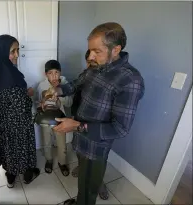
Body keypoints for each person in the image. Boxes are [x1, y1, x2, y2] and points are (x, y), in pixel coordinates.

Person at [53, 22, 145, 205]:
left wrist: (77, 125)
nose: (91, 56)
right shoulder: (95, 66)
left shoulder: (130, 80)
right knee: (83, 182)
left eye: (97, 51)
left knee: (89, 188)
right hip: (80, 139)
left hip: (96, 147)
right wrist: (57, 90)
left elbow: (120, 129)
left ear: (116, 49)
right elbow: (75, 84)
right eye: (90, 51)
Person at [0, 34, 40, 188]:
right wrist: (27, 95)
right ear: (3, 51)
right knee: (22, 146)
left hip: (2, 121)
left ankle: (10, 177)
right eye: (13, 51)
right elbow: (20, 103)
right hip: (18, 122)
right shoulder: (9, 72)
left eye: (17, 50)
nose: (16, 55)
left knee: (8, 148)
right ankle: (28, 175)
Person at [70, 50, 110, 200]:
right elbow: (72, 91)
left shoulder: (105, 79)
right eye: (87, 62)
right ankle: (82, 167)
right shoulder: (84, 75)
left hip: (97, 126)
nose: (89, 64)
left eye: (92, 62)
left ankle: (99, 182)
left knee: (99, 158)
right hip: (78, 119)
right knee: (80, 150)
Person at [37, 60, 73, 176]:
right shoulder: (41, 86)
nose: (54, 76)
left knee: (62, 144)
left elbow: (69, 103)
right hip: (46, 120)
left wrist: (59, 96)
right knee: (46, 141)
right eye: (50, 73)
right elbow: (38, 101)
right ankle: (49, 160)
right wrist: (40, 105)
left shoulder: (65, 85)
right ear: (46, 74)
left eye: (56, 72)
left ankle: (62, 163)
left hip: (60, 120)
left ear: (60, 73)